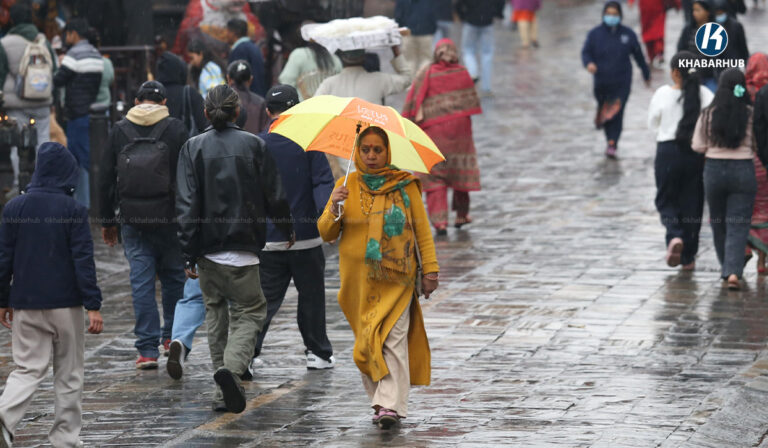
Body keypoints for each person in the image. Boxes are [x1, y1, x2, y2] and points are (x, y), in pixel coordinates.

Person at [176, 85, 294, 413]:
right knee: (251, 311)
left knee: (215, 316)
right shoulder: (254, 145)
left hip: (207, 251)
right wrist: (287, 228)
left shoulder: (192, 148)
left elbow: (185, 205)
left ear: (205, 112)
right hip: (245, 246)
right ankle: (231, 370)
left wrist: (187, 252)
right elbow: (275, 195)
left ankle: (221, 391)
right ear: (238, 112)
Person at [317, 126, 439, 429]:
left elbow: (422, 230)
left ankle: (390, 405)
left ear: (387, 152)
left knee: (393, 340)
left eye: (377, 150)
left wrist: (431, 270)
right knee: (367, 343)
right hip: (357, 283)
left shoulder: (405, 186)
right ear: (358, 152)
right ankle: (380, 400)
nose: (371, 155)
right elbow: (326, 233)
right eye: (366, 150)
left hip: (397, 279)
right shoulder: (346, 185)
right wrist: (335, 205)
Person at [0, 142, 103, 447]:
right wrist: (93, 305)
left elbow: (3, 259)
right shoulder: (73, 210)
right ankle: (64, 439)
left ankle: (4, 416)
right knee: (69, 373)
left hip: (26, 303)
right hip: (65, 304)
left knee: (27, 368)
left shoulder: (14, 208)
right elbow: (83, 260)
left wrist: (2, 301)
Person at [99, 81, 188, 369]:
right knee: (174, 278)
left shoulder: (119, 130)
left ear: (137, 101)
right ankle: (172, 337)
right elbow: (188, 176)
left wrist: (107, 221)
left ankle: (147, 350)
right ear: (164, 103)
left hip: (133, 219)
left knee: (141, 282)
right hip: (170, 218)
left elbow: (104, 177)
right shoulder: (176, 129)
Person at [252, 84, 335, 370]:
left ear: (268, 112)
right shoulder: (310, 144)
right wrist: (329, 220)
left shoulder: (256, 144)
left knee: (263, 301)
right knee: (311, 298)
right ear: (298, 109)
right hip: (307, 238)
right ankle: (318, 353)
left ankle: (247, 354)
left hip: (269, 239)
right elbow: (322, 184)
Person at [402, 39, 482, 235]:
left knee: (434, 175)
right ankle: (461, 215)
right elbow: (471, 102)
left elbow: (411, 103)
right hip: (460, 133)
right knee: (460, 171)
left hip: (433, 133)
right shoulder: (462, 73)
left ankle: (440, 222)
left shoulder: (426, 73)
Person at [648, 51, 714, 271]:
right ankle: (688, 257)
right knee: (692, 203)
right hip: (695, 154)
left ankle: (674, 234)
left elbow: (652, 124)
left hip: (667, 151)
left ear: (675, 72)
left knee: (665, 198)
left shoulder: (663, 94)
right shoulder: (706, 94)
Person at [692, 68, 756, 290]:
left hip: (714, 170)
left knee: (718, 222)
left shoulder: (708, 114)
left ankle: (726, 268)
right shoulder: (749, 113)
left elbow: (697, 145)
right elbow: (757, 144)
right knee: (738, 223)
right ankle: (733, 272)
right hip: (743, 169)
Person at [315, 46, 412, 178]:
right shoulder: (378, 80)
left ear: (341, 57)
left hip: (340, 145)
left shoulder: (329, 84)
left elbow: (315, 108)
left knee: (348, 182)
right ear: (363, 57)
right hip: (373, 145)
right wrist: (396, 52)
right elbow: (406, 79)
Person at [581, 1, 651, 159]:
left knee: (617, 112)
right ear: (603, 15)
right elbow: (586, 52)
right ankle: (609, 138)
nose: (611, 17)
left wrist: (646, 73)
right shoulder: (594, 34)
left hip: (622, 82)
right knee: (606, 110)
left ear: (620, 15)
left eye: (615, 14)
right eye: (608, 14)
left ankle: (612, 142)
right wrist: (589, 64)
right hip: (601, 82)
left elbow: (638, 55)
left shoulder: (628, 34)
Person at [0, 2, 56, 196]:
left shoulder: (5, 43)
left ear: (12, 19)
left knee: (18, 145)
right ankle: (44, 183)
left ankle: (19, 185)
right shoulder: (43, 41)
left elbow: (0, 74)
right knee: (43, 142)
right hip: (42, 101)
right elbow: (54, 69)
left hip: (16, 103)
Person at [53, 17, 103, 208]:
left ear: (73, 34)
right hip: (90, 111)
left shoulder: (74, 54)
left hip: (76, 113)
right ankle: (91, 200)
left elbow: (59, 79)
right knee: (88, 157)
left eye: (67, 34)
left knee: (78, 158)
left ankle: (82, 203)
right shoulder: (96, 54)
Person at [746, 53, 768, 273]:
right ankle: (762, 261)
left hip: (744, 158)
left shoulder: (740, 91)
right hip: (763, 160)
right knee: (764, 210)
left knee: (743, 207)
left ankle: (743, 247)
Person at [455, 0, 505, 95]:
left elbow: (458, 3)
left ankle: (473, 72)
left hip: (471, 20)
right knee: (487, 54)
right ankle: (486, 87)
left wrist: (463, 16)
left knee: (468, 50)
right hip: (487, 21)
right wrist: (498, 13)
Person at [277, 31, 342, 101]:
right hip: (329, 105)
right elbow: (339, 85)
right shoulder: (335, 59)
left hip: (303, 105)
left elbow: (286, 81)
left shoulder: (299, 54)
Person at [156, 51, 209, 136]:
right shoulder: (189, 93)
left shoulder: (152, 94)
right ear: (180, 70)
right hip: (186, 143)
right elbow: (205, 125)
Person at [677, 0, 717, 92]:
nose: (695, 13)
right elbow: (681, 50)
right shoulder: (688, 30)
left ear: (707, 12)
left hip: (710, 76)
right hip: (691, 74)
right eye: (694, 10)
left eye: (698, 10)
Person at [225, 18, 267, 97]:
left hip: (247, 99)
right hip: (258, 97)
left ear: (234, 33)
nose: (226, 34)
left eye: (228, 31)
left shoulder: (240, 50)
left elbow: (239, 80)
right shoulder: (253, 47)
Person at [395, 0, 438, 75]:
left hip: (408, 32)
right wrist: (432, 30)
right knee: (426, 59)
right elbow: (433, 14)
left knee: (409, 60)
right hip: (426, 32)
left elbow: (398, 16)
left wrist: (402, 30)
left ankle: (411, 81)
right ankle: (424, 80)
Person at [227, 60, 269, 135]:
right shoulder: (260, 102)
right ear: (250, 80)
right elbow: (265, 131)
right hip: (254, 142)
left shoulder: (222, 100)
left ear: (228, 79)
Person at [634, 0, 669, 68]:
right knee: (651, 35)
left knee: (657, 33)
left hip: (656, 9)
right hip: (647, 11)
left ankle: (657, 54)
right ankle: (653, 57)